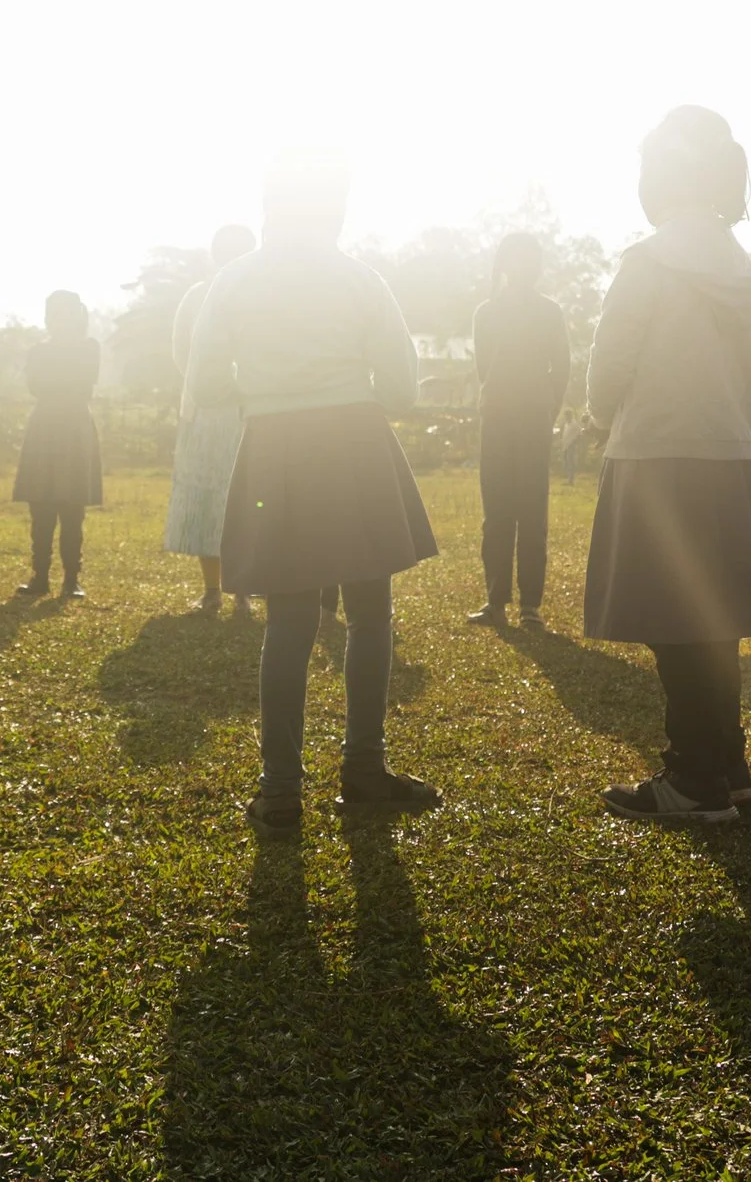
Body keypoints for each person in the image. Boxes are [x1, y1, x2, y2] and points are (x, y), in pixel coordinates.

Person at [187, 154, 440, 831]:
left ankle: (279, 790)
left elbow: (206, 383)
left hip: (274, 446)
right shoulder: (360, 279)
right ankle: (364, 767)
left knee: (290, 620)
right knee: (369, 610)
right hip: (353, 442)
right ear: (338, 208)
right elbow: (403, 390)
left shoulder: (234, 280)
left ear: (270, 205)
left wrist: (267, 389)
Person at [586, 107, 751, 826]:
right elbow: (749, 377)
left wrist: (598, 416)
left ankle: (690, 777)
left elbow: (610, 363)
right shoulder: (739, 262)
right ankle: (728, 770)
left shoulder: (649, 259)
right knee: (713, 622)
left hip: (656, 452)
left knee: (671, 622)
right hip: (725, 451)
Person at [465, 233, 571, 629]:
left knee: (529, 512)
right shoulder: (487, 312)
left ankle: (529, 605)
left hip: (529, 418)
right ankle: (498, 602)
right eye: (520, 259)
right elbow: (484, 369)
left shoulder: (548, 312)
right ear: (505, 265)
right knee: (498, 513)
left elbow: (561, 366)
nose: (528, 267)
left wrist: (546, 406)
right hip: (499, 417)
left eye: (533, 260)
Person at [166, 225, 257, 615]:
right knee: (208, 500)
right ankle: (214, 589)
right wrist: (209, 387)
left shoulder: (261, 296)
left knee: (245, 500)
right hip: (208, 411)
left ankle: (240, 589)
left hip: (248, 411)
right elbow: (182, 353)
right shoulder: (197, 297)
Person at [13, 292, 105, 601]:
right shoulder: (39, 350)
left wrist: (57, 380)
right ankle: (40, 575)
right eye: (55, 313)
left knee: (72, 506)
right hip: (47, 426)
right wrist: (63, 381)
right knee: (40, 505)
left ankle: (71, 578)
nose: (59, 319)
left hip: (73, 427)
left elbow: (83, 381)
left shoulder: (89, 348)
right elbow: (36, 386)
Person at [559, 408, 588, 486]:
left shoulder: (574, 424)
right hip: (565, 445)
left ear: (570, 416)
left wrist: (575, 443)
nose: (566, 418)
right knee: (566, 463)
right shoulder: (566, 425)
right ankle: (568, 478)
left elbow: (579, 434)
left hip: (571, 446)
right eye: (565, 416)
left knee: (570, 462)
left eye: (567, 416)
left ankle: (571, 480)